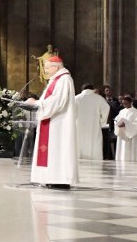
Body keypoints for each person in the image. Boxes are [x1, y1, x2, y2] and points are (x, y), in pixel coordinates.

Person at [25, 55, 79, 188]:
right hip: (53, 122)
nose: (45, 70)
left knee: (58, 149)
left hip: (59, 124)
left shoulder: (64, 79)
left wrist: (36, 103)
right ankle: (51, 178)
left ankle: (59, 179)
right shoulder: (56, 80)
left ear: (56, 67)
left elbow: (57, 101)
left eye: (47, 67)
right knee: (52, 150)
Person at [74, 84, 108, 161]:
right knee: (94, 141)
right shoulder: (99, 98)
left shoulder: (76, 98)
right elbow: (106, 108)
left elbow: (71, 111)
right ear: (92, 89)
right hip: (94, 125)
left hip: (79, 125)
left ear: (82, 89)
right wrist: (102, 121)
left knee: (79, 141)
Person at [114, 94, 137, 162]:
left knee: (131, 148)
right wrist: (118, 124)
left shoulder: (136, 112)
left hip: (131, 135)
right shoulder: (122, 111)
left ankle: (132, 159)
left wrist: (127, 125)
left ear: (130, 102)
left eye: (126, 103)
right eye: (123, 103)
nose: (125, 105)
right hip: (122, 132)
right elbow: (116, 119)